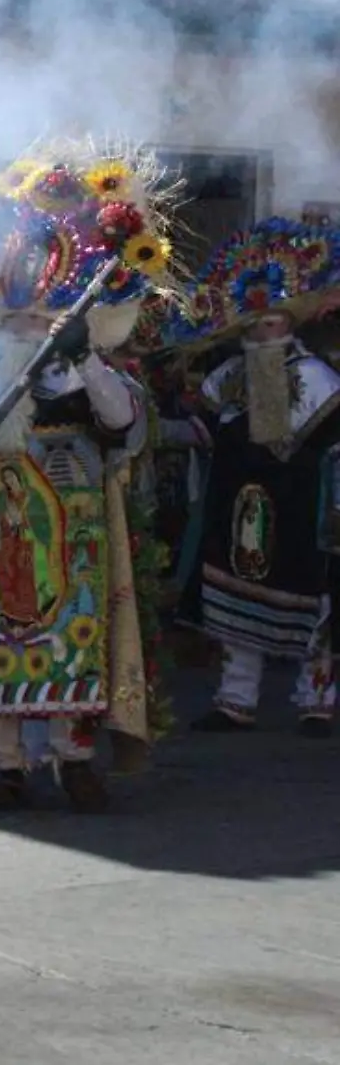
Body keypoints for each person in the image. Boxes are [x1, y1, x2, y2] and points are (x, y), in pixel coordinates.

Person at [0, 139, 183, 812]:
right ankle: (6, 762)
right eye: (18, 316)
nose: (28, 325)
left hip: (76, 524)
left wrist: (81, 363)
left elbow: (127, 425)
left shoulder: (93, 365)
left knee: (75, 634)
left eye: (41, 316)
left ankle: (74, 759)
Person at [174, 218, 340, 739]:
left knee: (315, 608)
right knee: (236, 604)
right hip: (239, 509)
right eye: (253, 325)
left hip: (301, 511)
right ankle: (235, 700)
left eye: (270, 324)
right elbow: (204, 430)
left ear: (290, 324)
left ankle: (316, 701)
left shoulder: (317, 378)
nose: (261, 333)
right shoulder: (228, 376)